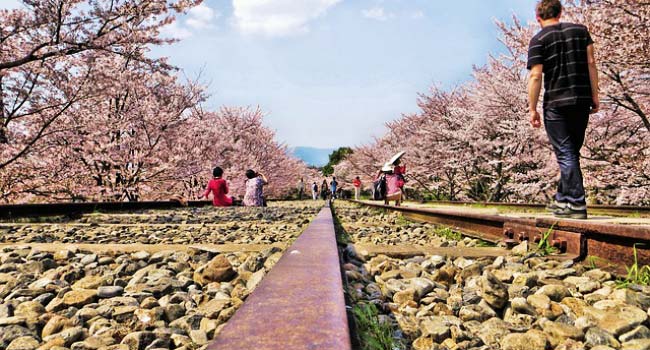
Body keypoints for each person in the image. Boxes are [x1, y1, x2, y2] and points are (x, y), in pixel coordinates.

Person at [527, 0, 599, 219]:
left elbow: (536, 75)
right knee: (571, 153)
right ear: (561, 12)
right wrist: (595, 95)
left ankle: (576, 203)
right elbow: (591, 63)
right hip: (581, 99)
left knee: (566, 153)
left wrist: (532, 108)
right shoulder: (581, 31)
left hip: (556, 103)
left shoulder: (539, 39)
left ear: (538, 17)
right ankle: (562, 200)